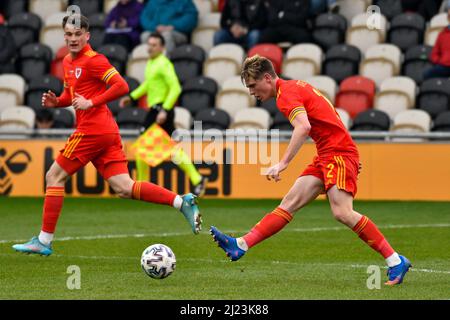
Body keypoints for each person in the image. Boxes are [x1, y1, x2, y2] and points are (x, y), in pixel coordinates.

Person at [210, 55, 412, 286]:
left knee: (342, 212)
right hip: (329, 153)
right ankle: (241, 245)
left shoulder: (286, 94)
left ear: (267, 78)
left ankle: (395, 260)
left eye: (253, 86)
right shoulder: (294, 87)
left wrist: (283, 162)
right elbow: (328, 116)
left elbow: (303, 127)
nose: (251, 92)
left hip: (336, 154)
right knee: (289, 204)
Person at [12, 14, 202, 257]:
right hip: (106, 132)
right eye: (68, 35)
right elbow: (72, 96)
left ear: (87, 36)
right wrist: (57, 102)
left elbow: (121, 86)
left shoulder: (95, 60)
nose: (73, 39)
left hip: (92, 130)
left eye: (77, 34)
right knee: (124, 187)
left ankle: (44, 240)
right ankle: (181, 201)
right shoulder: (69, 63)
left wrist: (92, 102)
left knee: (54, 176)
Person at [120, 32, 207, 197]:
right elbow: (149, 85)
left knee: (142, 147)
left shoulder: (164, 64)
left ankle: (141, 188)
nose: (150, 48)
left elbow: (176, 88)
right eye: (149, 44)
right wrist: (132, 97)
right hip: (157, 110)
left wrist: (165, 110)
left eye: (154, 45)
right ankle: (197, 179)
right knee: (169, 148)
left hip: (160, 111)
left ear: (162, 47)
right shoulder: (152, 63)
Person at [423, 5, 450, 80]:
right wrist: (439, 61)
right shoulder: (442, 34)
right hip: (444, 66)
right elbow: (435, 53)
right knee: (426, 75)